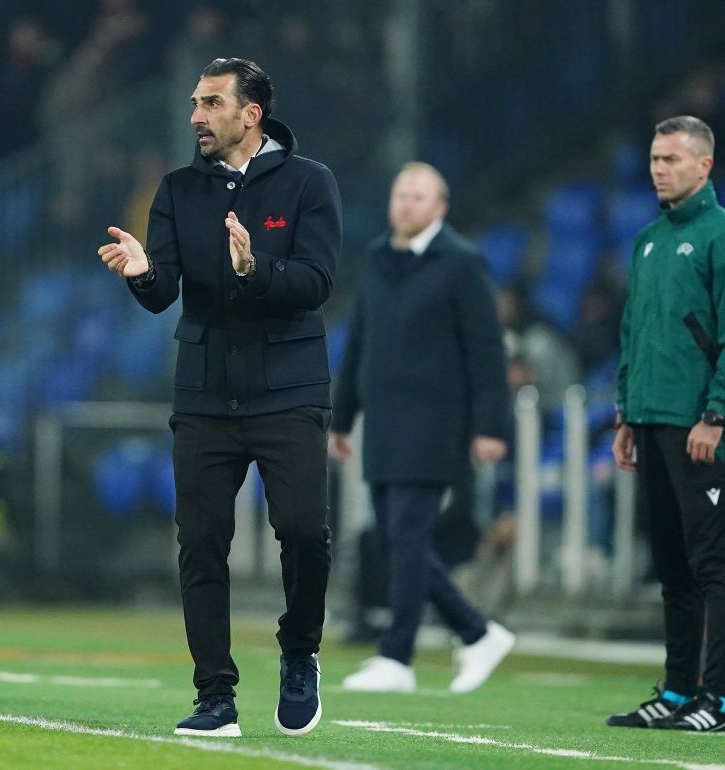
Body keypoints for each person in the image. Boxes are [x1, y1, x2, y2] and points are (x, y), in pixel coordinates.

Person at [98, 57, 340, 737]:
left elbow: (318, 282)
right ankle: (215, 695)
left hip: (288, 390)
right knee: (200, 542)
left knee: (302, 531)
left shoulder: (309, 182)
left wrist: (254, 269)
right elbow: (162, 294)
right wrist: (144, 275)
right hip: (205, 394)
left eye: (210, 104)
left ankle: (299, 650)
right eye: (196, 104)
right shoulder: (177, 190)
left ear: (250, 114)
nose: (196, 116)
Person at [330, 162, 515, 694]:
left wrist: (490, 426)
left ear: (441, 207)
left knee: (405, 534)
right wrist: (343, 417)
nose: (406, 204)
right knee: (395, 539)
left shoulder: (461, 263)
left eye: (418, 196)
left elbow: (486, 351)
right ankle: (477, 633)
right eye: (401, 195)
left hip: (437, 422)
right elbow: (359, 341)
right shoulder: (376, 259)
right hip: (385, 422)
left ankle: (397, 656)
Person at [607, 116, 725, 733]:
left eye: (671, 158)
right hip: (650, 420)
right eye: (653, 158)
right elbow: (633, 334)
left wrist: (716, 414)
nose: (658, 169)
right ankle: (677, 693)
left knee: (713, 561)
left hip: (702, 427)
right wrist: (625, 413)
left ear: (704, 166)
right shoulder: (647, 240)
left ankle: (718, 699)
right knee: (672, 564)